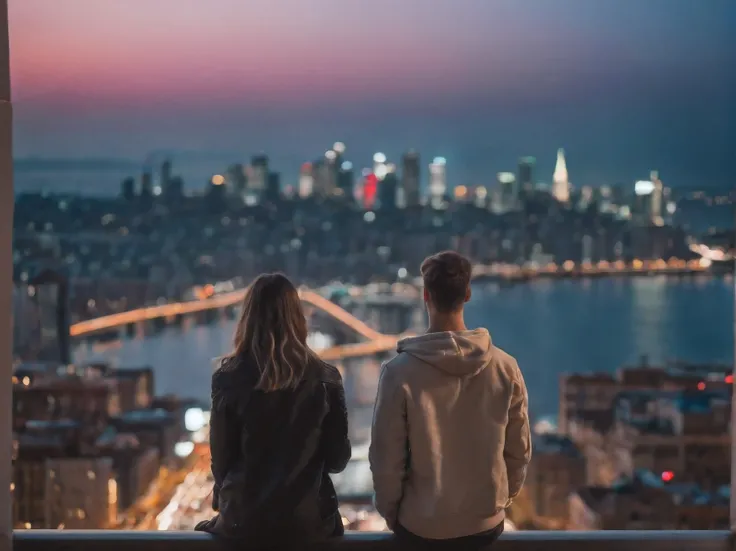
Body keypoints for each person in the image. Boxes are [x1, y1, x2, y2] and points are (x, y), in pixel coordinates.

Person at [369, 251, 531, 548]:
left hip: (420, 527)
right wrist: (499, 503)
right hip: (485, 526)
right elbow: (518, 452)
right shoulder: (506, 367)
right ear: (467, 294)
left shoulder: (397, 373)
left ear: (425, 295)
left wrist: (394, 515)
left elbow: (385, 461)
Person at [196, 273, 351, 545]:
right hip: (308, 525)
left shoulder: (228, 378)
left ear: (248, 319)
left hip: (244, 523)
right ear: (298, 318)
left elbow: (221, 463)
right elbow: (338, 461)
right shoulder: (326, 378)